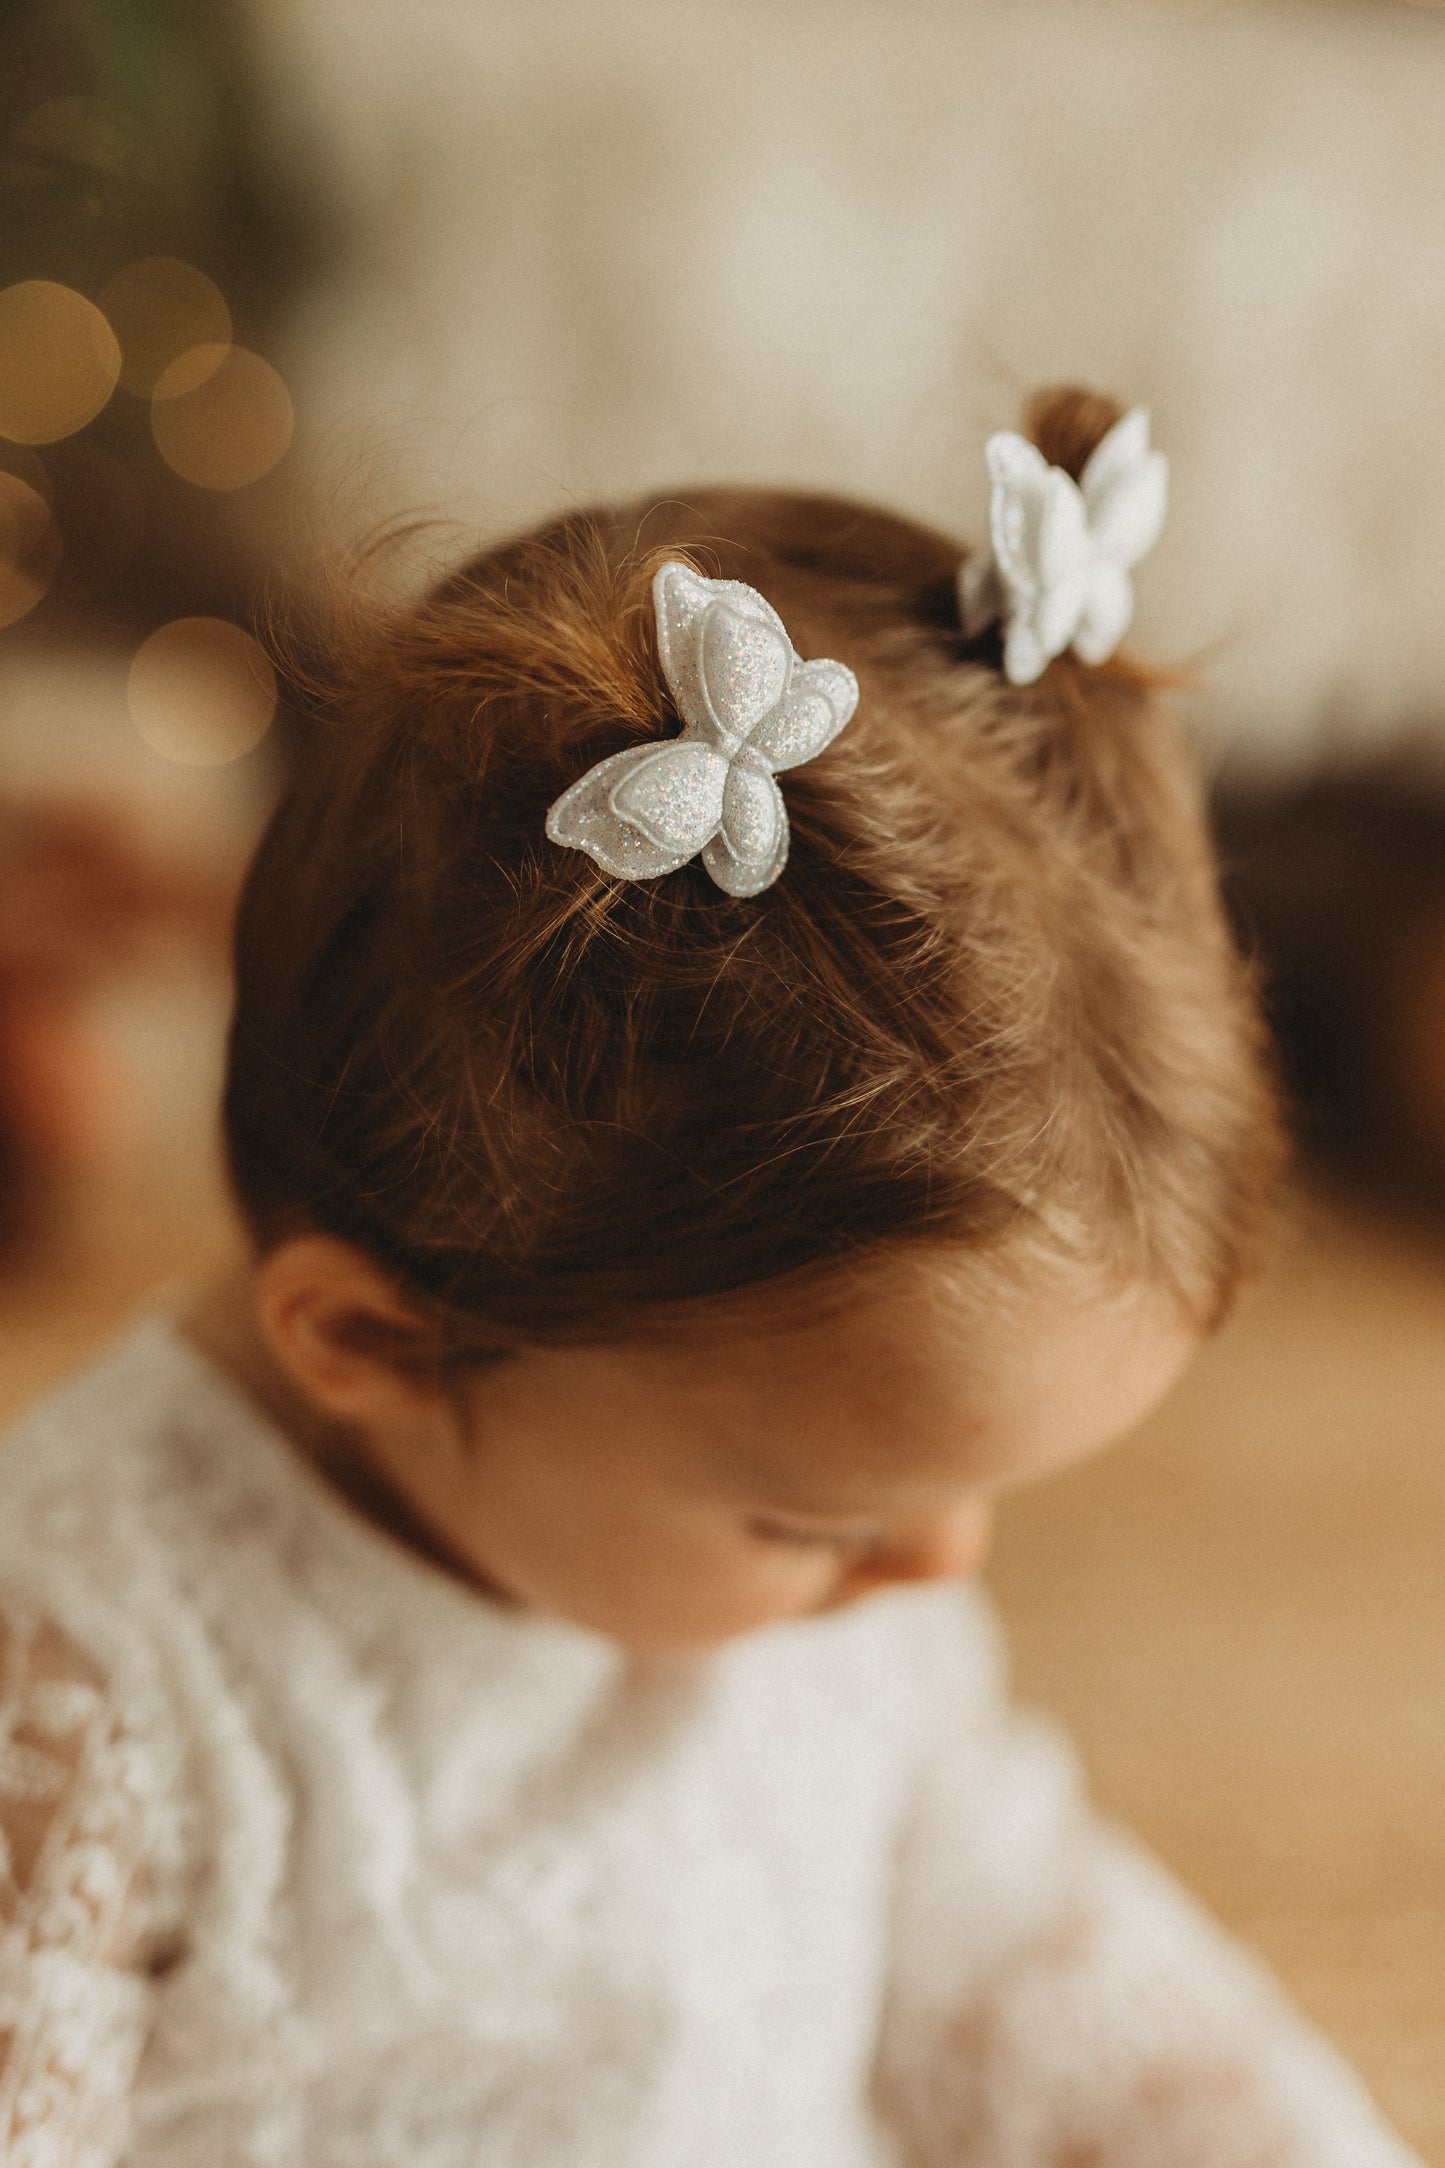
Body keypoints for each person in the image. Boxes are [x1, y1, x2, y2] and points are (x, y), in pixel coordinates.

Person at [0, 389, 1421, 2166]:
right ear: (380, 1339)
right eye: (814, 1519)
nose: (936, 1568)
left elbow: (1017, 1940)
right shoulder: (91, 1683)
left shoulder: (854, 1580)